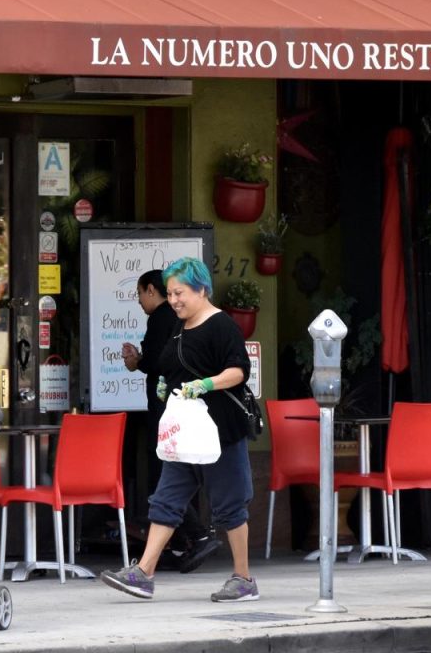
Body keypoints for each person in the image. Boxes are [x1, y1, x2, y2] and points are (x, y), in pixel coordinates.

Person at [100, 257, 259, 603]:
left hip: (219, 432)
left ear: (202, 290)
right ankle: (143, 574)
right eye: (170, 293)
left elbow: (238, 371)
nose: (173, 300)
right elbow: (171, 366)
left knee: (230, 506)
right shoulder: (178, 325)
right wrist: (165, 385)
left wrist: (205, 384)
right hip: (185, 431)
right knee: (167, 499)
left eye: (180, 292)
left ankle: (243, 579)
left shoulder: (222, 326)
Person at [121, 269, 220, 573]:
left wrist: (136, 361)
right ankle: (179, 544)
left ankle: (196, 534)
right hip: (184, 404)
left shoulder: (161, 318)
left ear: (152, 290)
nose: (139, 301)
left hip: (167, 411)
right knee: (176, 473)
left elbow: (157, 361)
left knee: (165, 475)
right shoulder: (183, 319)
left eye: (140, 294)